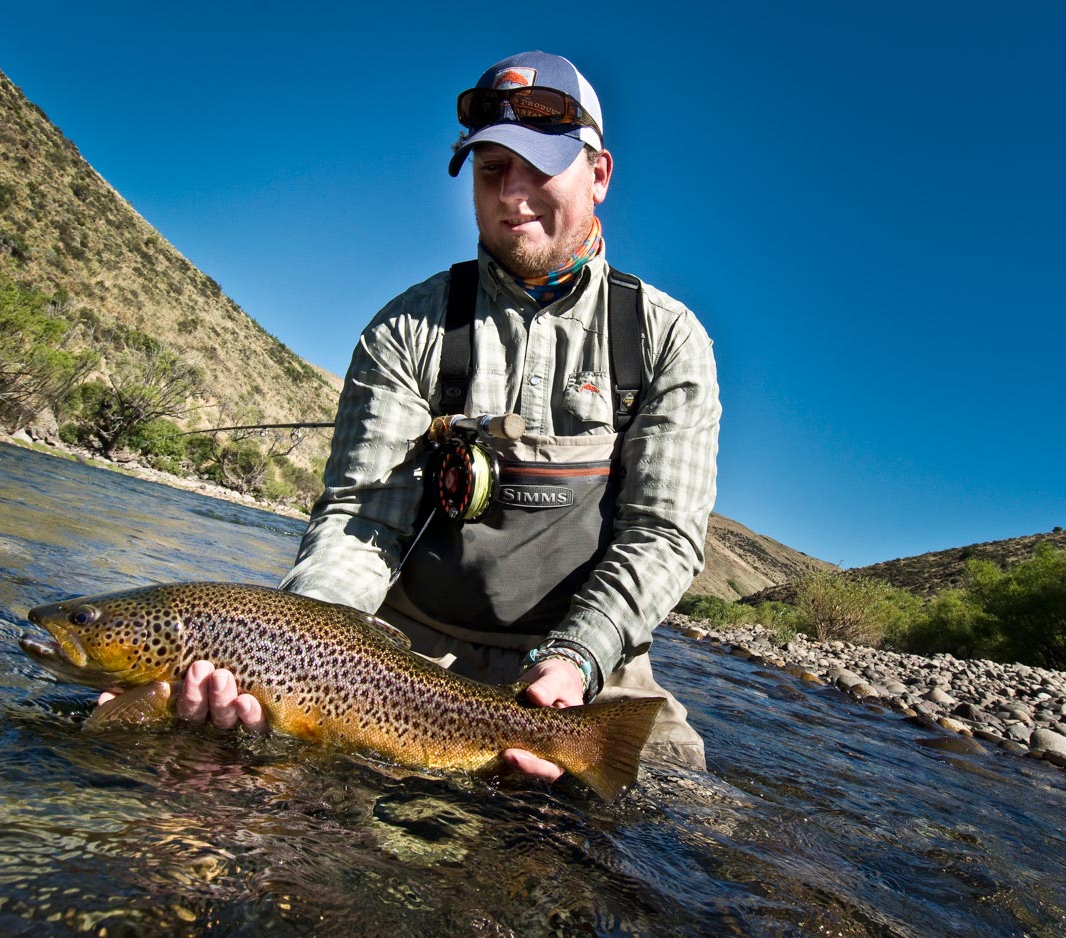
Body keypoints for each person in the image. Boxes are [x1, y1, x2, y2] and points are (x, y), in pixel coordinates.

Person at [127, 51, 721, 780]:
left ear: (598, 174)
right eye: (492, 171)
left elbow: (660, 536)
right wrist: (286, 652)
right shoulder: (406, 329)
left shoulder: (666, 338)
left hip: (593, 661)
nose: (513, 195)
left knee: (684, 835)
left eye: (539, 169)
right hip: (410, 652)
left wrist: (576, 660)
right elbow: (361, 519)